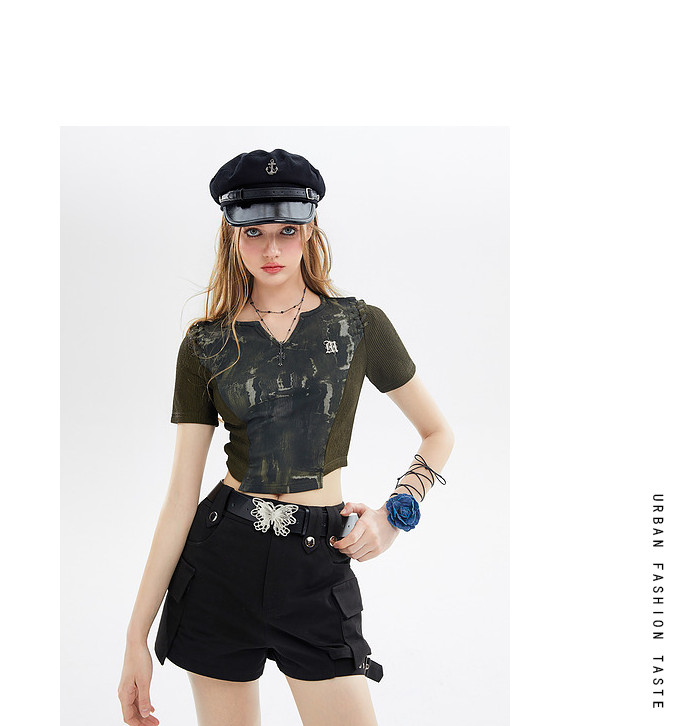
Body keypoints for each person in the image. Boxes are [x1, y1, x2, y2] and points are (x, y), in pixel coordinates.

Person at [117, 148, 454, 726]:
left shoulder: (359, 325)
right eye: (254, 232)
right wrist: (134, 639)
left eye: (286, 231)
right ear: (232, 234)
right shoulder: (206, 343)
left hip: (317, 564)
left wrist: (394, 516)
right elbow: (179, 497)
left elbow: (438, 432)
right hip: (220, 563)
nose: (270, 249)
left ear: (310, 229)